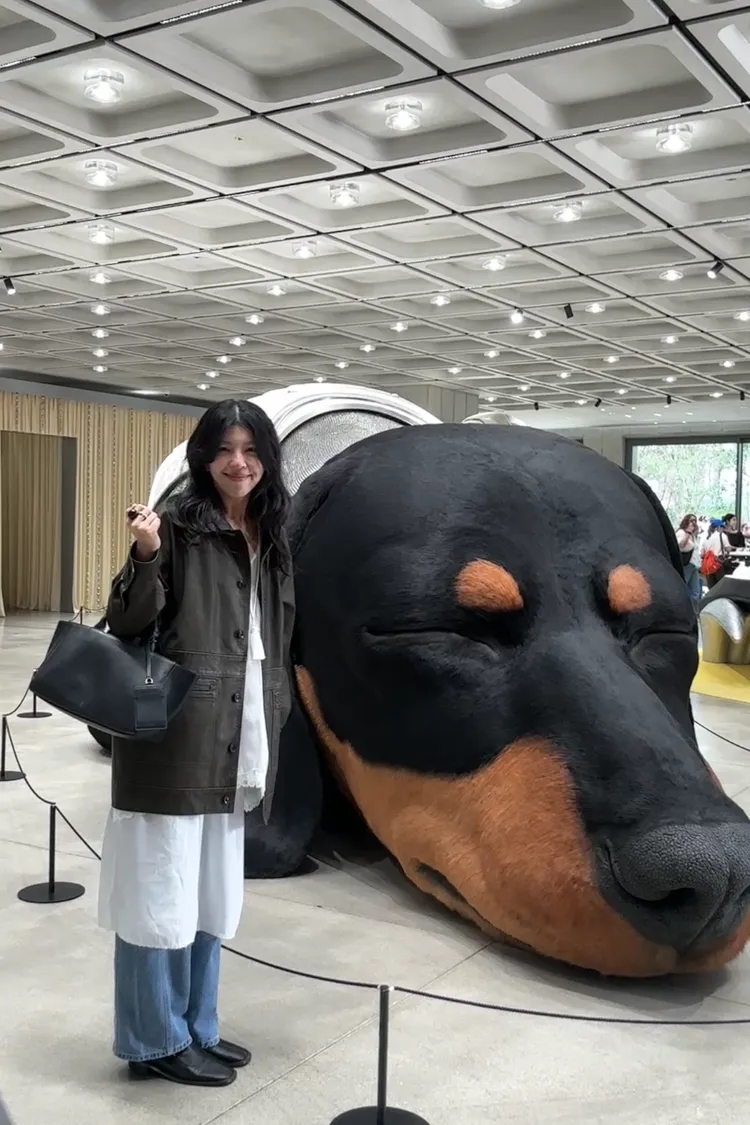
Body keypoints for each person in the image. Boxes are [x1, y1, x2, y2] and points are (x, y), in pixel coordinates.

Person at [98, 399, 294, 1087]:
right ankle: (151, 1039)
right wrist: (145, 554)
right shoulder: (177, 524)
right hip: (176, 737)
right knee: (159, 892)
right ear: (204, 456)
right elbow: (126, 620)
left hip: (239, 736)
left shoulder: (270, 530)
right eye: (225, 449)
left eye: (251, 449)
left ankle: (195, 1026)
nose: (239, 462)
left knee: (209, 893)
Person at [675, 513, 701, 607]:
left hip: (694, 564)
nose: (693, 523)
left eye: (695, 521)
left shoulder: (693, 535)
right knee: (683, 587)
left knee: (696, 590)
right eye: (691, 521)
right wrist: (687, 534)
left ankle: (694, 610)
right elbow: (680, 545)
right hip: (686, 564)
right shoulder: (681, 532)